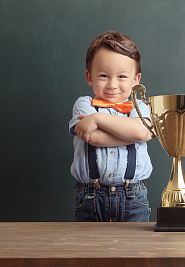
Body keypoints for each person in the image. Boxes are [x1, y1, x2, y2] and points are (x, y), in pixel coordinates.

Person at [69, 31, 153, 222]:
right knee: (91, 250)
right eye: (104, 76)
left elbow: (142, 131)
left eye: (122, 76)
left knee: (135, 250)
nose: (112, 85)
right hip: (90, 196)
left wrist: (98, 119)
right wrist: (132, 133)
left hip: (132, 194)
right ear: (89, 77)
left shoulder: (140, 106)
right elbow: (93, 138)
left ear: (136, 80)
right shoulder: (84, 105)